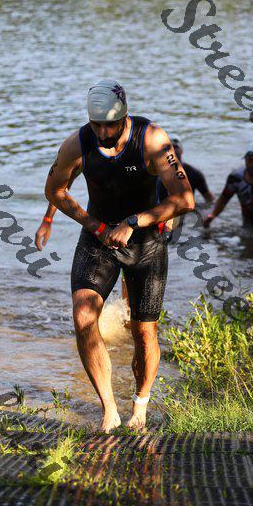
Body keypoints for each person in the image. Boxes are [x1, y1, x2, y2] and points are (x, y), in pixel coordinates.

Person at [43, 79, 194, 433]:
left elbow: (185, 199)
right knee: (83, 316)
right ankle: (109, 410)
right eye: (96, 125)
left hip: (146, 242)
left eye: (109, 125)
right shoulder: (77, 144)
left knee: (143, 333)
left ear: (125, 116)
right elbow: (54, 190)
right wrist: (93, 225)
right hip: (99, 239)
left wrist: (132, 222)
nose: (103, 132)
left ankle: (139, 406)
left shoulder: (152, 139)